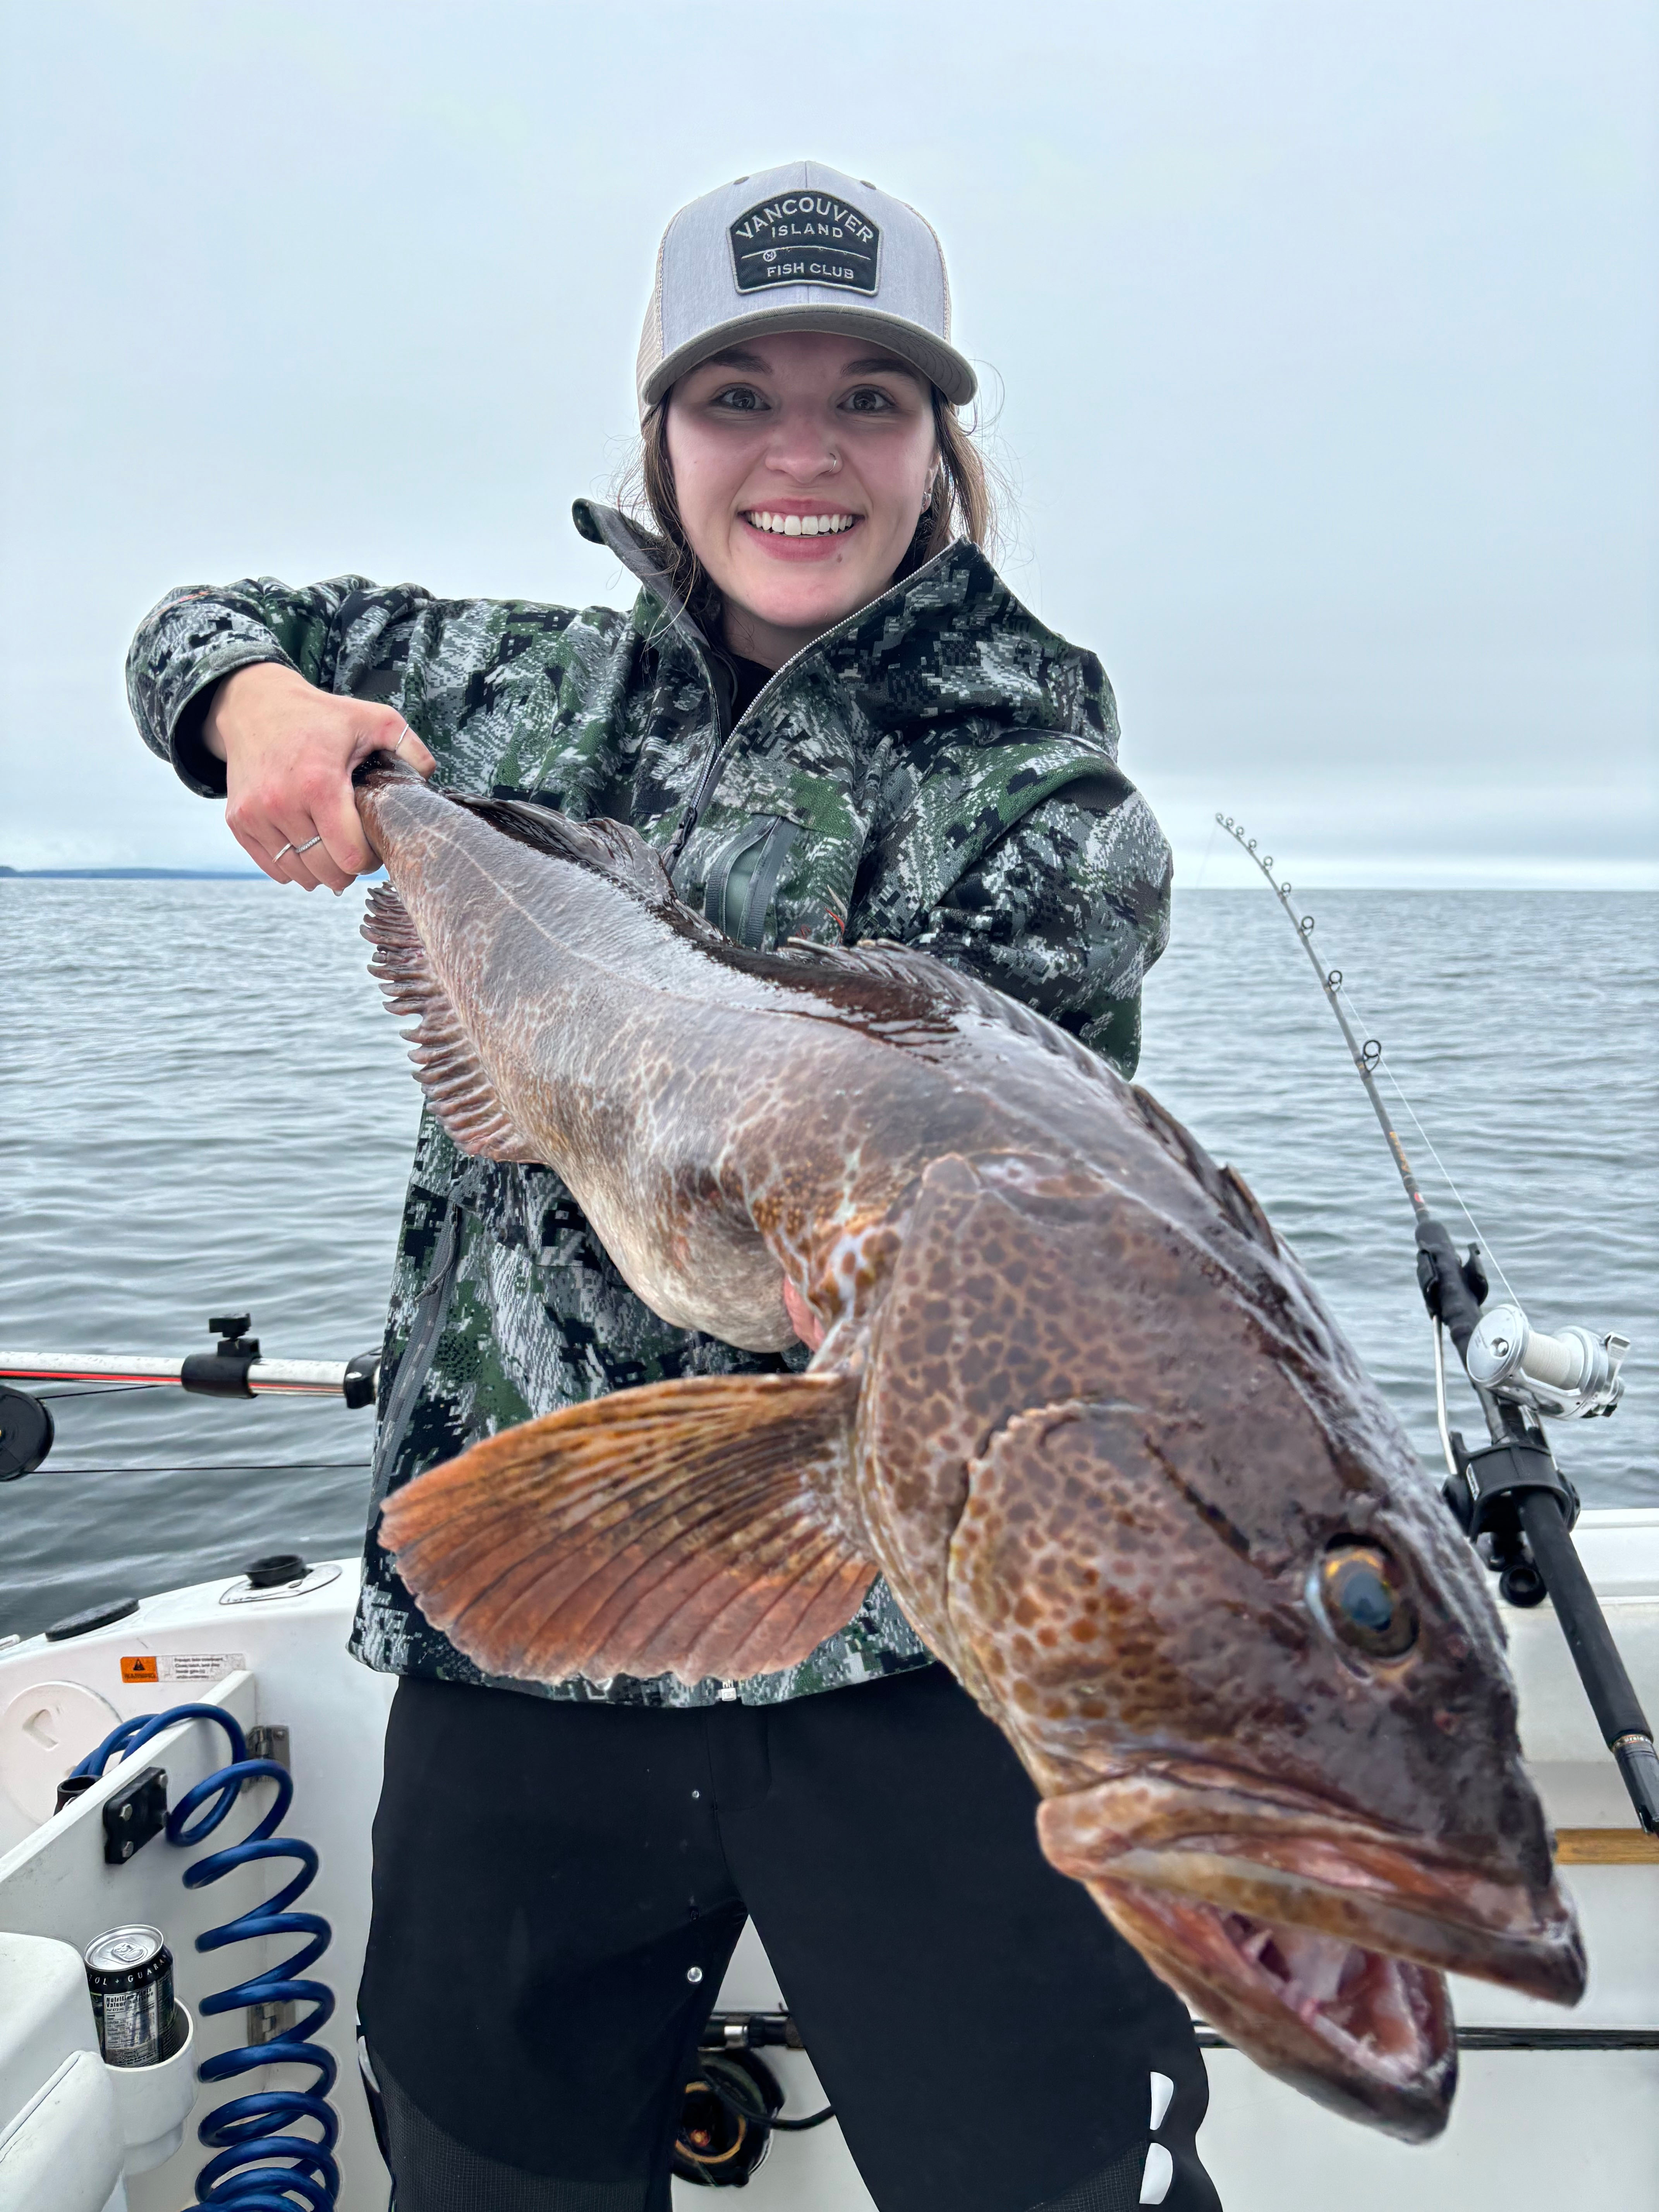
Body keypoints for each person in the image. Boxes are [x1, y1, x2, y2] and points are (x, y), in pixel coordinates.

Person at [127, 162, 1219, 2212]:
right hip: (515, 1628)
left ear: (938, 444)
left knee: (1058, 2175)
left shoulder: (1041, 799)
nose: (801, 455)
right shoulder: (506, 694)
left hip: (896, 1651)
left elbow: (973, 1187)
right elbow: (196, 628)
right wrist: (260, 711)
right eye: (741, 395)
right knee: (486, 2166)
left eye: (868, 399)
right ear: (661, 428)